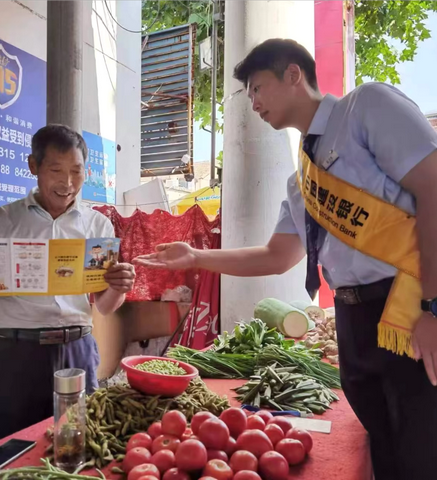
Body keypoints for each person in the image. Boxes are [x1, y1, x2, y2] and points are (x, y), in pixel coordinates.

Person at [134, 39, 437, 479]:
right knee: (386, 452)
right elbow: (277, 257)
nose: (253, 103)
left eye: (258, 88)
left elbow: (432, 187)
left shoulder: (366, 107)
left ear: (293, 75)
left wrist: (431, 307)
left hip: (406, 308)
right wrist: (196, 256)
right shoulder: (301, 182)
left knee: (423, 451)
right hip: (353, 321)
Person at [0, 124, 136, 450]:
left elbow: (106, 306)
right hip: (11, 355)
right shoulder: (1, 221)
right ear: (33, 167)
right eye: (55, 170)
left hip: (76, 350)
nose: (67, 183)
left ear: (87, 171)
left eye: (76, 172)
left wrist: (119, 286)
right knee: (1, 453)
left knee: (74, 450)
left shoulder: (97, 224)